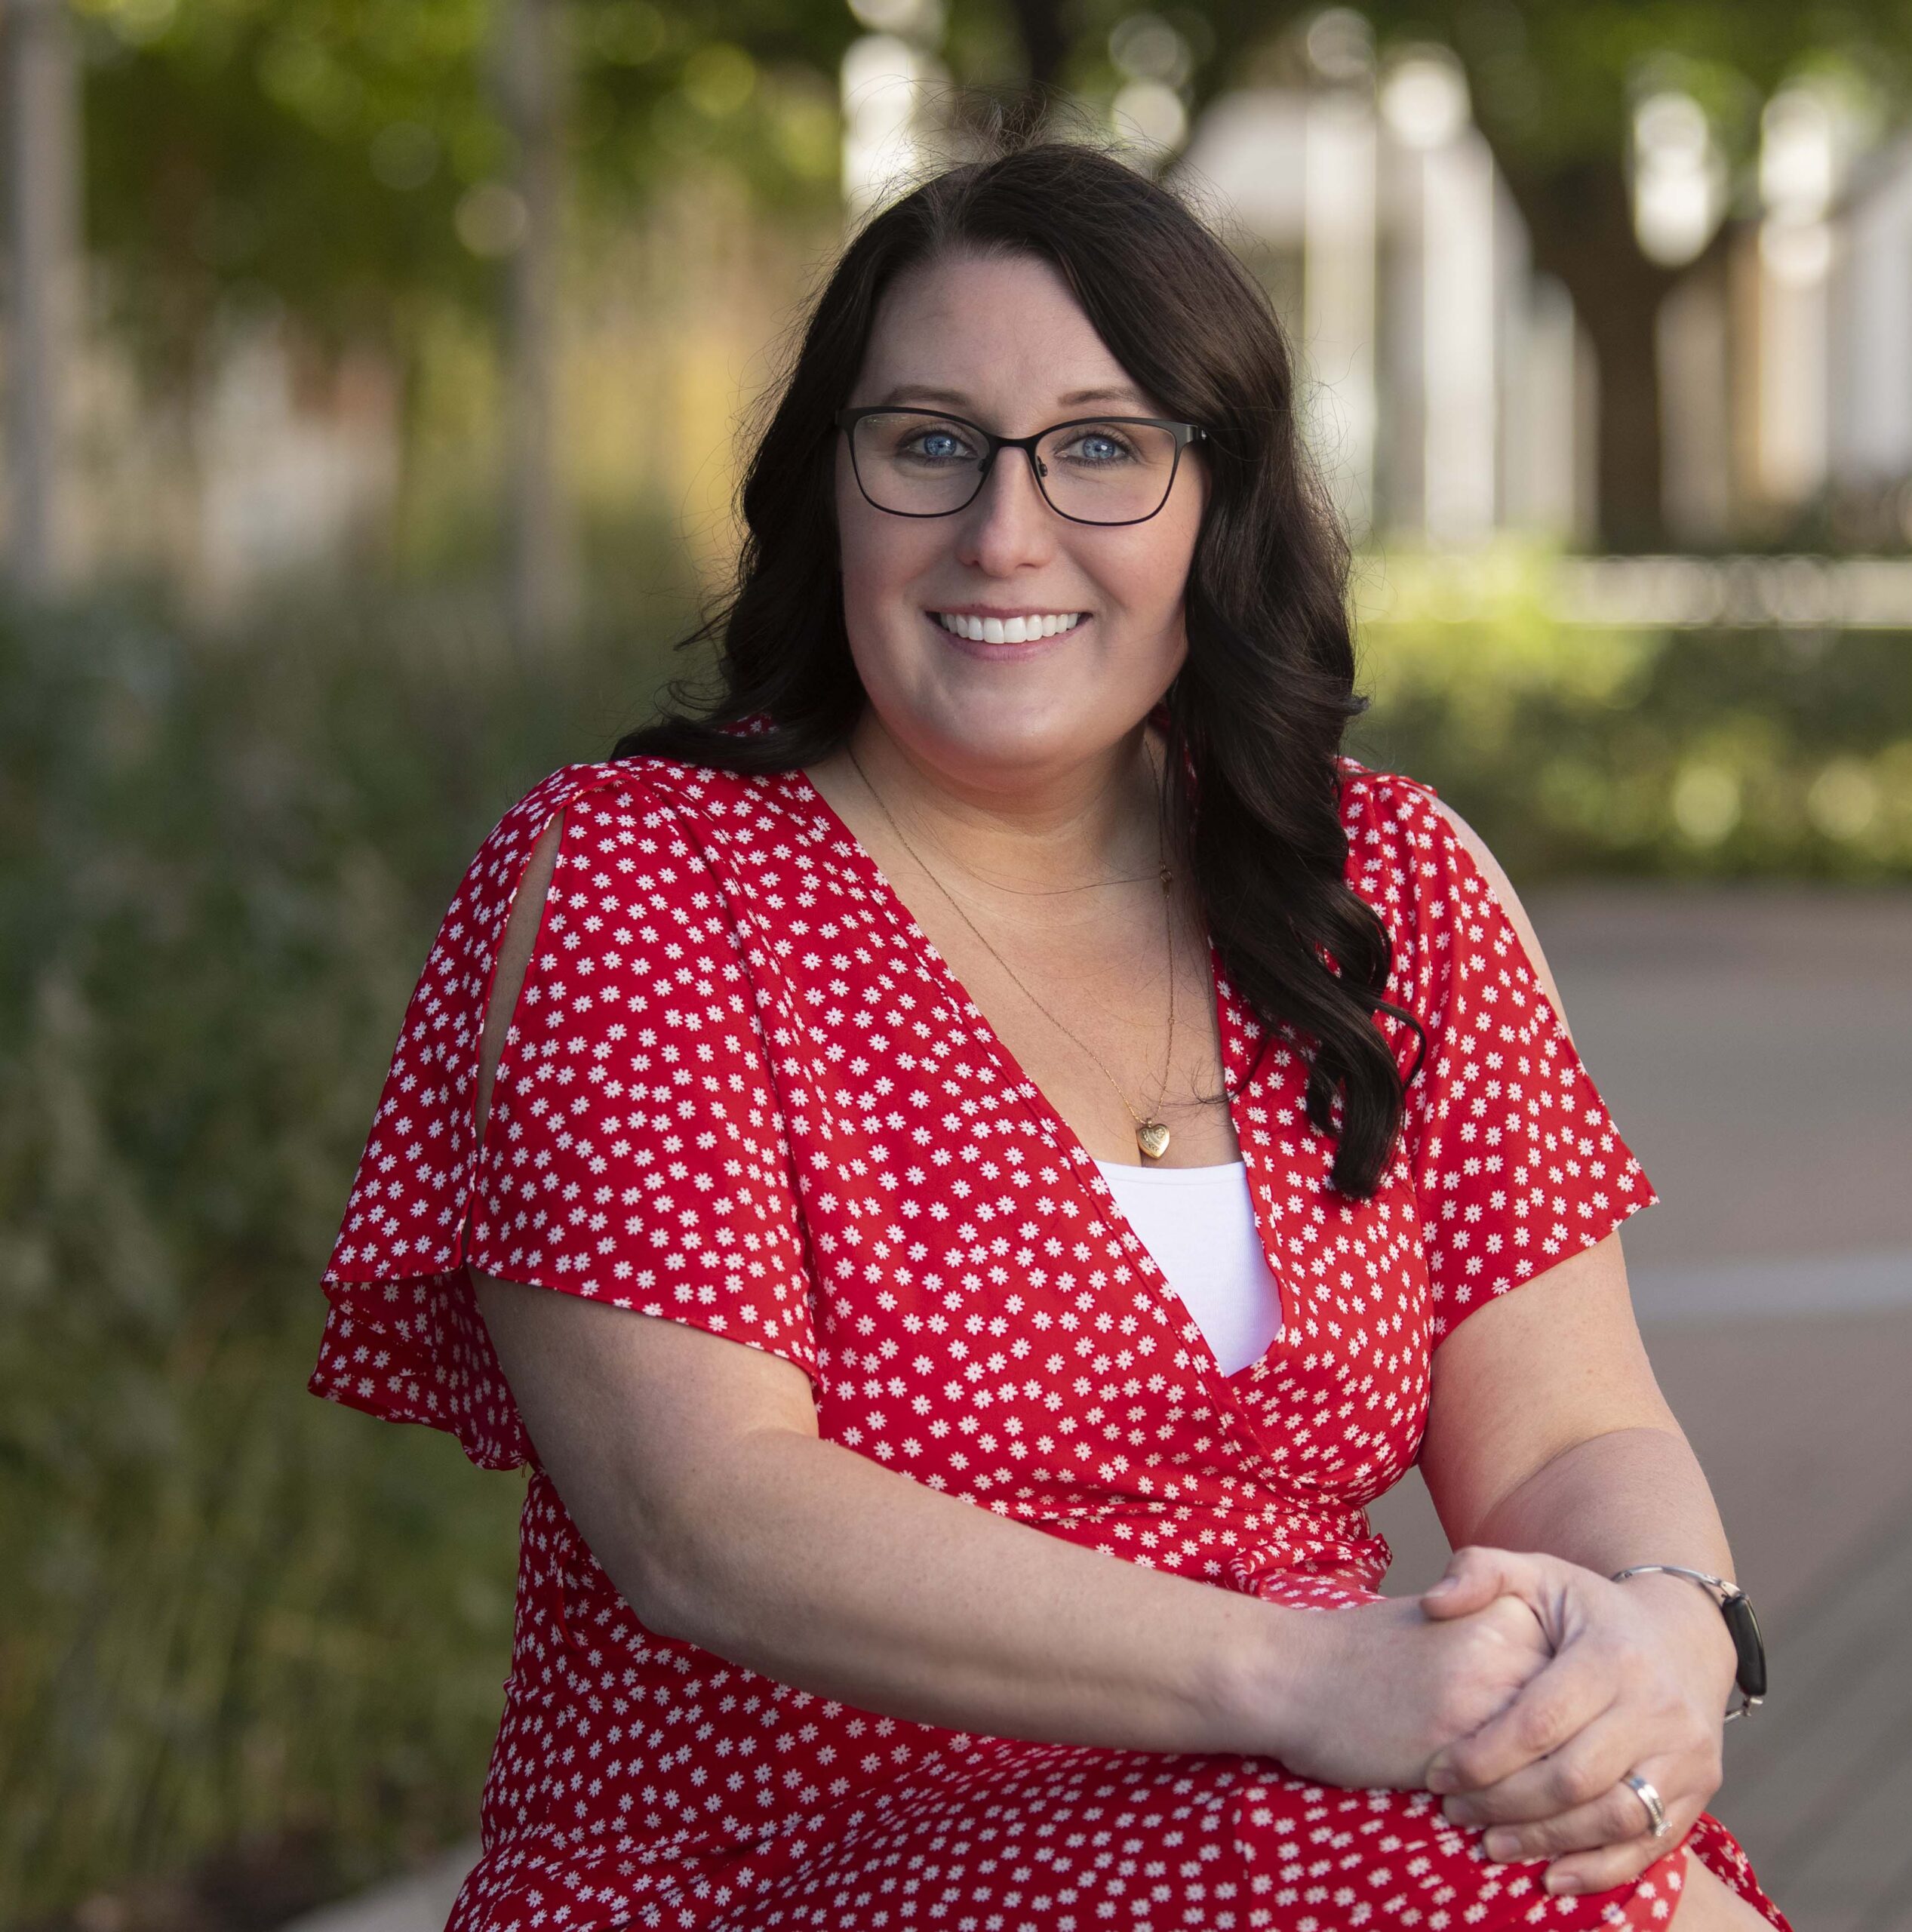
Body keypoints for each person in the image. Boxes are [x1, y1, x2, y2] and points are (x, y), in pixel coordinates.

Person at [310, 140, 1789, 1932]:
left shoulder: (1385, 887)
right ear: (827, 490)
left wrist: (1662, 1630)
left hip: (1341, 1826)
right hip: (768, 1870)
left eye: (1099, 446)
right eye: (927, 441)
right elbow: (700, 1509)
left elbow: (1562, 1435)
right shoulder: (644, 880)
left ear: (1212, 500)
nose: (1002, 530)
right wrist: (1309, 1678)